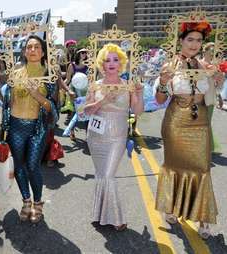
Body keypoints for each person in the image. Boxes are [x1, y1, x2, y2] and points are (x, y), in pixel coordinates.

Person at [155, 21, 224, 239]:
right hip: (176, 121)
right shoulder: (169, 66)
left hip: (200, 123)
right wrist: (164, 82)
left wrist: (218, 82)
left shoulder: (206, 67)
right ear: (181, 41)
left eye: (199, 40)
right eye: (190, 39)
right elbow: (159, 100)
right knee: (175, 166)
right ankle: (171, 207)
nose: (195, 44)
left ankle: (203, 218)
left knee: (202, 169)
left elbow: (212, 95)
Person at [84, 43, 143, 231]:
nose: (111, 63)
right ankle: (99, 213)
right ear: (102, 63)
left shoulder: (128, 86)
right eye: (107, 60)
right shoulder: (95, 85)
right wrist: (103, 100)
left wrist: (139, 94)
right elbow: (85, 111)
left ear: (121, 63)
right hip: (95, 136)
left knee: (108, 174)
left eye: (115, 60)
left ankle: (116, 217)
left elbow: (137, 111)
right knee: (102, 174)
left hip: (117, 136)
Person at [0, 35, 58, 223]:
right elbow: (9, 103)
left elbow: (52, 108)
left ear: (42, 52)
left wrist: (37, 95)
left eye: (36, 47)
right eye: (29, 47)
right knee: (19, 166)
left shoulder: (49, 75)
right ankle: (26, 201)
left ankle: (38, 203)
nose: (32, 50)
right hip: (16, 126)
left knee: (33, 166)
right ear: (24, 51)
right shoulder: (16, 74)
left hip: (37, 128)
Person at [199, 42, 220, 152]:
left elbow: (217, 82)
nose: (212, 52)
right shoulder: (198, 63)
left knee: (207, 122)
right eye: (211, 50)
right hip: (199, 95)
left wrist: (217, 75)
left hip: (210, 95)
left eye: (214, 50)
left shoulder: (214, 64)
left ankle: (208, 147)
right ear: (205, 51)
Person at [64, 48, 90, 140]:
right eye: (83, 52)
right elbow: (67, 79)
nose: (85, 54)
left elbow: (93, 78)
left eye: (86, 52)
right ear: (78, 54)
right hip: (74, 91)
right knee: (75, 111)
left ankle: (88, 134)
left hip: (86, 90)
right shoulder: (72, 65)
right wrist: (62, 88)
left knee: (87, 111)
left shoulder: (89, 65)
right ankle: (72, 131)